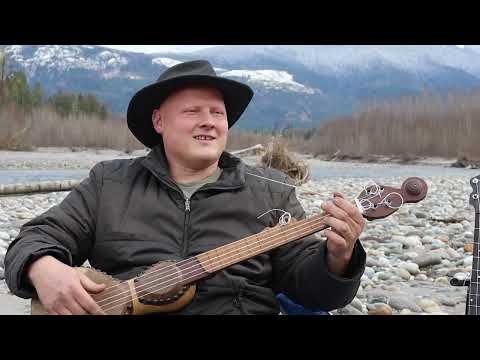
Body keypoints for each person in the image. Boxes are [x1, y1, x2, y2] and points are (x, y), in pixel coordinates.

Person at [4, 60, 366, 315]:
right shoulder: (109, 183)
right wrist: (43, 267)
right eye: (193, 112)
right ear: (159, 121)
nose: (209, 122)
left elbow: (313, 292)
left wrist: (338, 259)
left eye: (217, 113)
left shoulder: (272, 191)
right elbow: (35, 238)